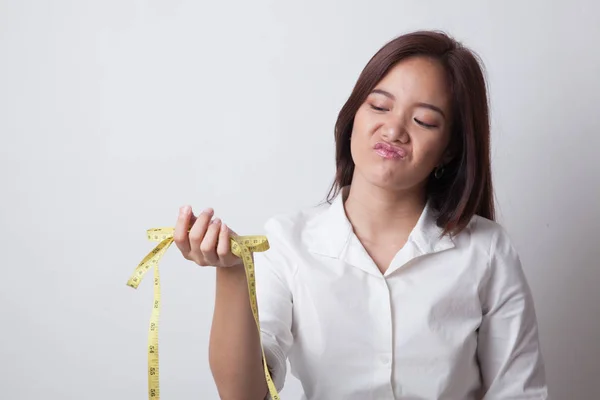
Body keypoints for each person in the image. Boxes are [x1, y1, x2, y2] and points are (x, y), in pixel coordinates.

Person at [173, 30, 549, 400]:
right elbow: (245, 394)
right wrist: (232, 272)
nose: (394, 129)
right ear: (353, 116)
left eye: (424, 121)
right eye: (380, 106)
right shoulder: (287, 242)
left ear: (449, 150)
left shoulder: (486, 250)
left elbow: (517, 392)